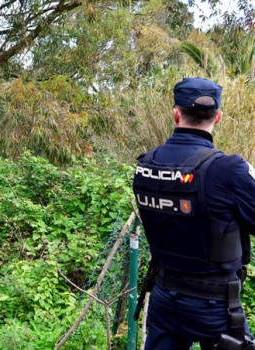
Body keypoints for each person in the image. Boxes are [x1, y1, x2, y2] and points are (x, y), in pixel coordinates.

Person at [133, 77, 255, 349]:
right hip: (215, 306)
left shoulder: (145, 165)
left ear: (176, 114)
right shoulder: (229, 170)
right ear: (218, 117)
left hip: (164, 297)